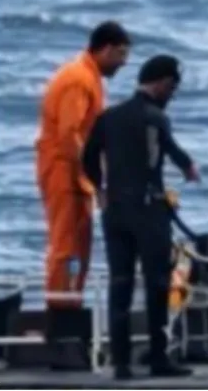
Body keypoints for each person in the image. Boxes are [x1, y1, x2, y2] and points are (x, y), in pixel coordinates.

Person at [82, 55, 200, 380]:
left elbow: (87, 157)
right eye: (172, 89)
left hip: (115, 211)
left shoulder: (108, 117)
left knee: (119, 283)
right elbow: (170, 150)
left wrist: (99, 189)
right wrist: (190, 168)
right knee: (157, 283)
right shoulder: (155, 117)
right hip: (148, 210)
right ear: (162, 83)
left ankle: (121, 364)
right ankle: (158, 359)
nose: (171, 95)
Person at [34, 20, 130, 368]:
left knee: (79, 249)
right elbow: (70, 136)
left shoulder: (89, 77)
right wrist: (94, 180)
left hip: (76, 176)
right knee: (65, 249)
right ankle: (60, 328)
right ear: (106, 49)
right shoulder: (77, 79)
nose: (122, 64)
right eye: (120, 55)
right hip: (63, 173)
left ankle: (71, 314)